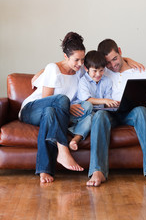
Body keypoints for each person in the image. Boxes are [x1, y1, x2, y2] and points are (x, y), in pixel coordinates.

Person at [87, 39, 146, 187]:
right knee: (99, 115)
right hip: (110, 113)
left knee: (142, 111)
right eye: (108, 63)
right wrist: (45, 70)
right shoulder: (102, 72)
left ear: (120, 51)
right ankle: (98, 171)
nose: (113, 65)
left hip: (133, 113)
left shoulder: (141, 71)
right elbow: (77, 66)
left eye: (115, 59)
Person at [19, 32, 93, 183]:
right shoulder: (53, 68)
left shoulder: (79, 73)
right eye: (76, 60)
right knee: (59, 101)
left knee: (52, 113)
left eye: (82, 59)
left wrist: (126, 59)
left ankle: (44, 170)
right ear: (65, 57)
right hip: (31, 109)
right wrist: (66, 104)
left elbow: (101, 63)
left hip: (50, 112)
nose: (80, 63)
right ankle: (63, 149)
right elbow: (47, 100)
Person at [68, 50, 119, 151]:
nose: (98, 74)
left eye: (101, 70)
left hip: (93, 114)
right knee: (88, 105)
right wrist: (105, 101)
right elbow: (87, 100)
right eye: (94, 71)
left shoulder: (107, 81)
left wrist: (113, 104)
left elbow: (108, 101)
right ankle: (71, 123)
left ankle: (76, 139)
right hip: (79, 111)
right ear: (86, 68)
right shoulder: (83, 81)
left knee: (93, 117)